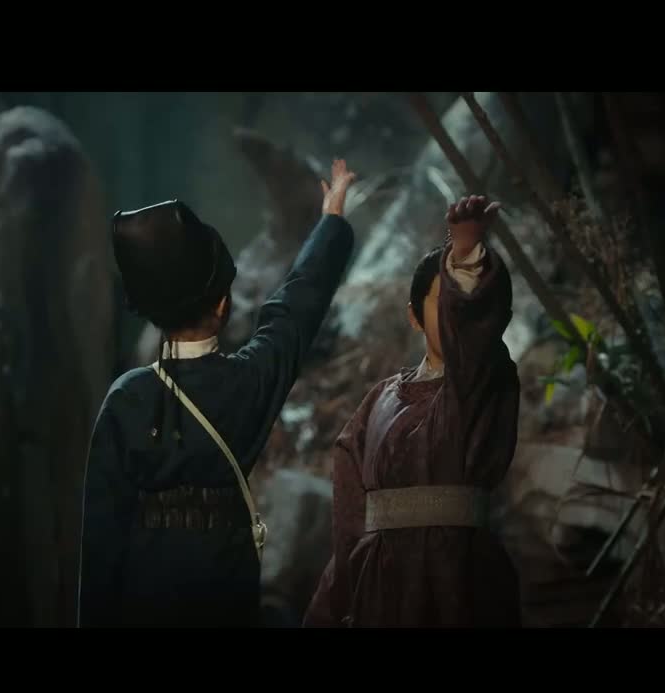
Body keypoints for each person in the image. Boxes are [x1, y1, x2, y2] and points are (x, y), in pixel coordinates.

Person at [77, 160, 358, 628]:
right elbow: (295, 309)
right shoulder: (246, 386)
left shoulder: (127, 399)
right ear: (224, 303)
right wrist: (331, 221)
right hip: (226, 598)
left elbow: (100, 550)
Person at [303, 194, 522, 628]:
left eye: (459, 304)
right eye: (442, 303)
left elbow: (473, 338)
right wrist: (335, 602)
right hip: (381, 586)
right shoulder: (379, 399)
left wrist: (465, 255)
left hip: (461, 579)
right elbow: (350, 517)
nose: (453, 317)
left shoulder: (483, 383)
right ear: (414, 316)